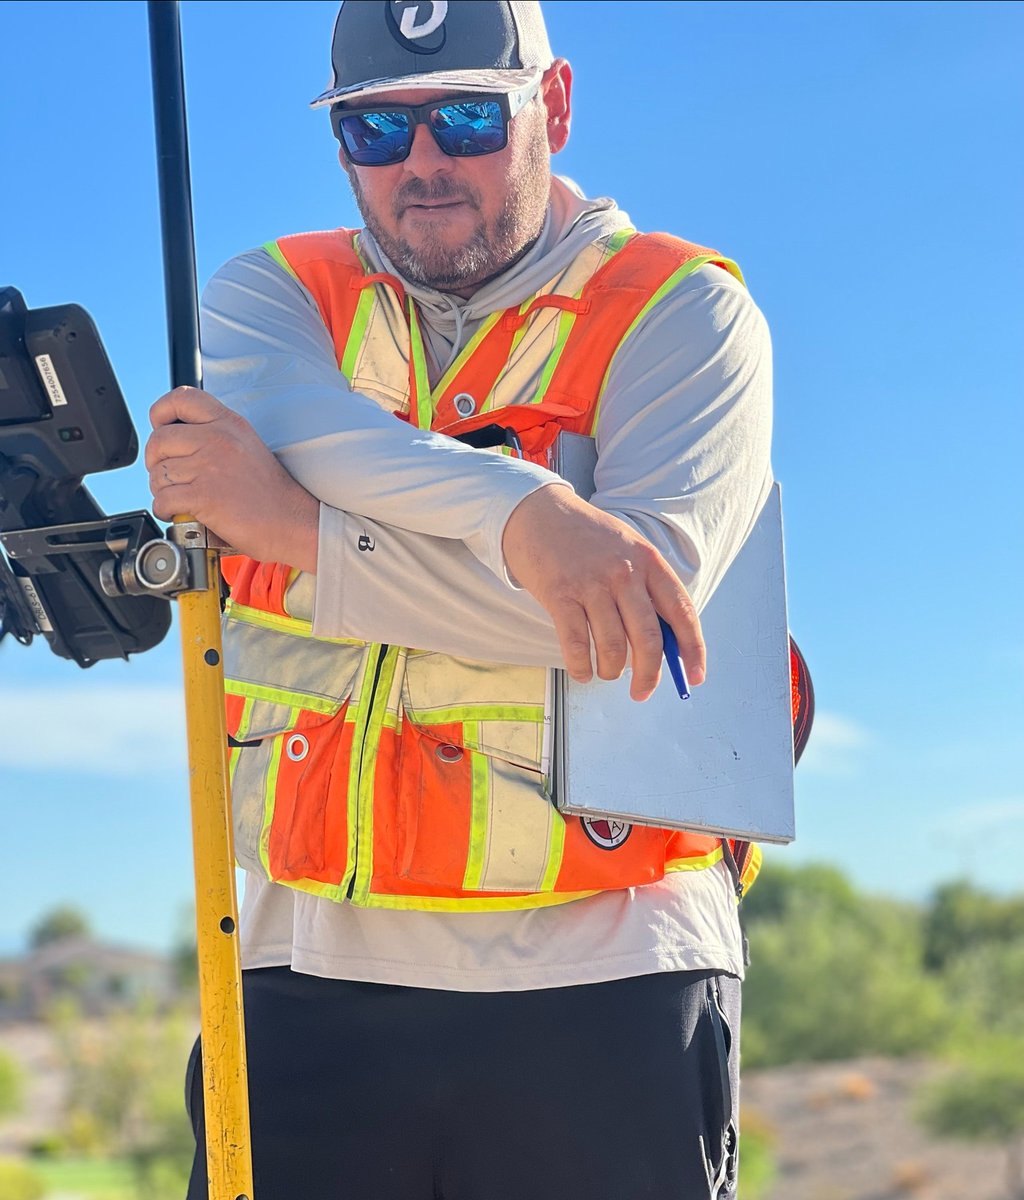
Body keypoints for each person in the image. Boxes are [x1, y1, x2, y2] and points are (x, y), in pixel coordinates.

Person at [145, 3, 773, 1197]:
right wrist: (527, 518)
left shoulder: (684, 313)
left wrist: (293, 527)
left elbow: (621, 622)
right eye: (375, 129)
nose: (422, 163)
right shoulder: (268, 294)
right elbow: (300, 424)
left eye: (468, 117)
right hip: (296, 964)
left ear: (558, 105)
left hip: (608, 965)